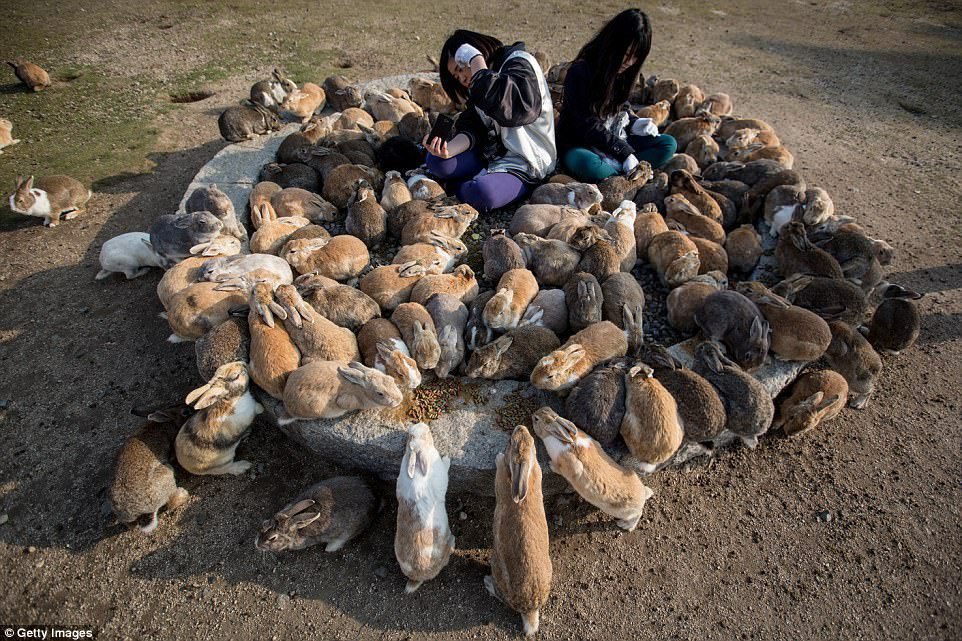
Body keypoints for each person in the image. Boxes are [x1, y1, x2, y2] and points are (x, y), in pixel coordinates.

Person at [423, 30, 556, 212]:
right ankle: (473, 181)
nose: (461, 78)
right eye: (456, 76)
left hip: (525, 161)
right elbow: (475, 125)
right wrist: (448, 150)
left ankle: (467, 186)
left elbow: (512, 110)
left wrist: (476, 61)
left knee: (482, 194)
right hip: (491, 153)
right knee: (436, 161)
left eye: (461, 68)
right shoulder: (479, 79)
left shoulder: (519, 63)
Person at [556, 8, 677, 182]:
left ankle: (622, 174)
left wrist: (636, 124)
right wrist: (624, 152)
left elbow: (622, 107)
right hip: (582, 144)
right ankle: (627, 176)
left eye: (636, 57)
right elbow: (585, 124)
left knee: (668, 144)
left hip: (616, 135)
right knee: (587, 164)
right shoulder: (581, 71)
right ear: (613, 44)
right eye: (626, 54)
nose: (629, 62)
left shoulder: (624, 73)